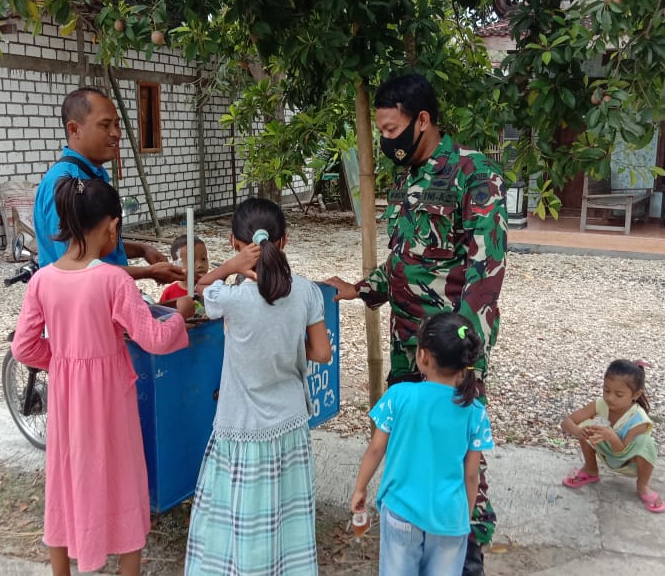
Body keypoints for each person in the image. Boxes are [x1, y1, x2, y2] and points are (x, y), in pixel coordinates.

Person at [324, 73, 507, 575]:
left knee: (458, 449)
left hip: (446, 353)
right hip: (410, 349)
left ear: (421, 120)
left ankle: (465, 550)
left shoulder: (473, 173)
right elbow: (403, 262)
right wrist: (360, 289)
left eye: (391, 130)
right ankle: (407, 537)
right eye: (380, 131)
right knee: (410, 441)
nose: (386, 140)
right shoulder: (407, 178)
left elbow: (485, 273)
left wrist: (460, 356)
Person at [11, 177, 192, 575]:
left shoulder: (42, 280)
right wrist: (181, 314)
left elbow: (23, 348)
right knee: (122, 479)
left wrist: (62, 363)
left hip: (67, 401)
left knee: (65, 480)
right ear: (112, 226)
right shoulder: (113, 281)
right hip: (110, 402)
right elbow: (153, 339)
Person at [184, 198, 331, 575]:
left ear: (235, 243)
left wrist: (231, 266)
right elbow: (322, 352)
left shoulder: (230, 299)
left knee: (242, 516)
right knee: (288, 514)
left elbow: (200, 286)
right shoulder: (307, 292)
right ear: (284, 241)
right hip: (290, 424)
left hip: (241, 427)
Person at [351, 313, 494, 575]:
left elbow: (375, 448)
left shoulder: (399, 395)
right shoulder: (474, 410)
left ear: (423, 356)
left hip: (401, 511)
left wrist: (360, 489)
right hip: (450, 518)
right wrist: (465, 514)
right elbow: (471, 475)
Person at [34, 87, 183, 283]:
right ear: (74, 129)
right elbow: (78, 269)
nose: (116, 134)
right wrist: (149, 272)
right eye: (105, 125)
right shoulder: (66, 185)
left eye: (117, 124)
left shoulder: (93, 173)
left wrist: (142, 249)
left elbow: (95, 242)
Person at [560, 359, 665, 513]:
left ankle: (643, 486)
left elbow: (621, 453)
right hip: (606, 451)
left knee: (646, 442)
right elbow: (567, 422)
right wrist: (579, 432)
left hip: (630, 461)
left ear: (636, 395)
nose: (610, 398)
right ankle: (590, 470)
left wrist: (611, 435)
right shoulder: (600, 404)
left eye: (619, 394)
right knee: (585, 425)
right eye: (606, 390)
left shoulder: (639, 419)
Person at [158, 235, 210, 314]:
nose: (200, 265)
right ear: (177, 265)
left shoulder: (213, 287)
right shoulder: (170, 293)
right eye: (192, 261)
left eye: (203, 259)